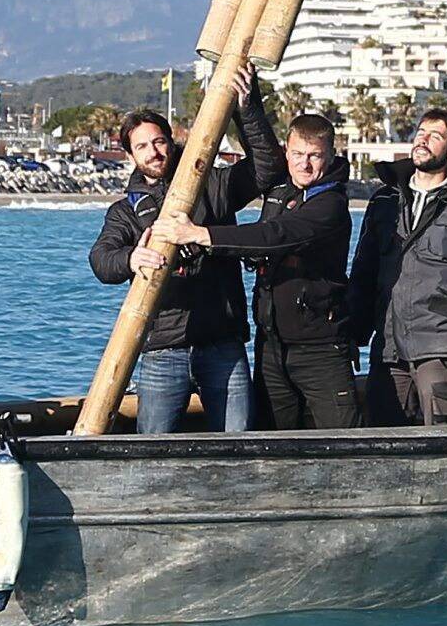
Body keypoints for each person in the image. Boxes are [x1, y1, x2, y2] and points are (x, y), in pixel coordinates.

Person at [90, 76, 278, 432]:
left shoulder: (214, 187)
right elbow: (101, 260)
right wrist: (131, 258)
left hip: (223, 343)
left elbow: (267, 168)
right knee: (152, 453)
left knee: (238, 445)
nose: (154, 152)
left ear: (172, 144)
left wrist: (246, 107)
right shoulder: (124, 213)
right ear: (130, 156)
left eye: (159, 141)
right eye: (142, 146)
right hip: (162, 351)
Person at [162, 109, 360, 429]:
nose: (304, 164)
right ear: (287, 151)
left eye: (314, 156)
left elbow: (274, 236)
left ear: (330, 156)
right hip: (271, 346)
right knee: (270, 440)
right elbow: (261, 150)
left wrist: (202, 234)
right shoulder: (280, 187)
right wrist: (247, 101)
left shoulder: (331, 206)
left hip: (321, 349)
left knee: (341, 441)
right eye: (297, 154)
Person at [349, 107, 447, 426]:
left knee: (444, 442)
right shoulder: (384, 201)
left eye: (434, 136)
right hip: (388, 347)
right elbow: (363, 275)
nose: (423, 140)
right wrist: (353, 335)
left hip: (444, 348)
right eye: (420, 133)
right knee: (382, 440)